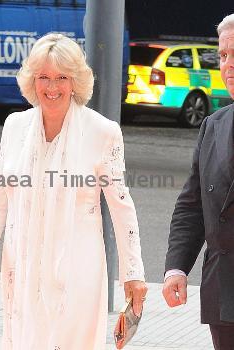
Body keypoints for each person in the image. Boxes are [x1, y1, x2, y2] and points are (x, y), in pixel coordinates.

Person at [0, 33, 147, 350]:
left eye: (61, 77)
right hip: (23, 270)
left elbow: (122, 210)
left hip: (79, 273)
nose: (52, 88)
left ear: (75, 81)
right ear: (32, 81)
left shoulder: (103, 132)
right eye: (44, 77)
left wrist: (133, 274)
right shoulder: (14, 127)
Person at [163, 14, 234, 350]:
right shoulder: (213, 125)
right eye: (223, 55)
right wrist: (176, 267)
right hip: (224, 291)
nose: (228, 65)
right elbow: (192, 206)